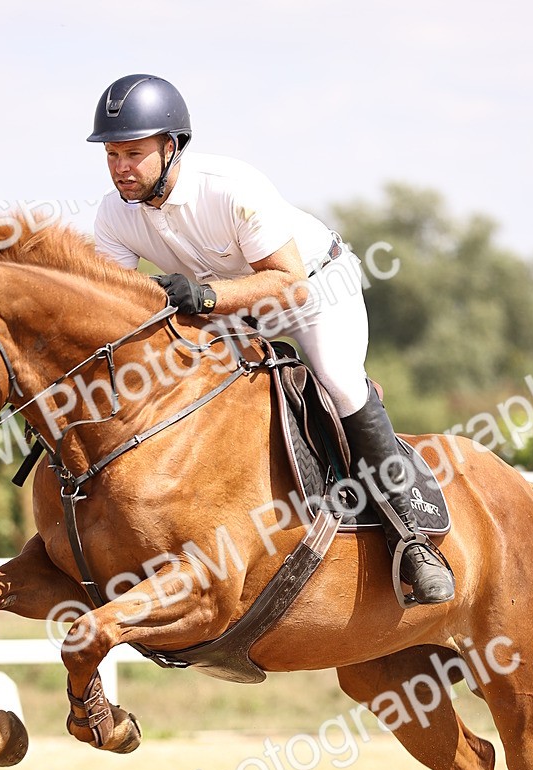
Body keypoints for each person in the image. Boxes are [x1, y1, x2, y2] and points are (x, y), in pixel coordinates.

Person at [88, 73, 454, 605]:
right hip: (230, 309)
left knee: (339, 381)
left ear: (171, 147)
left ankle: (413, 540)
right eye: (113, 154)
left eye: (134, 153)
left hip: (313, 288)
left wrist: (206, 298)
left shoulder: (231, 186)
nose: (121, 167)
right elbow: (116, 311)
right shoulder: (111, 214)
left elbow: (288, 285)